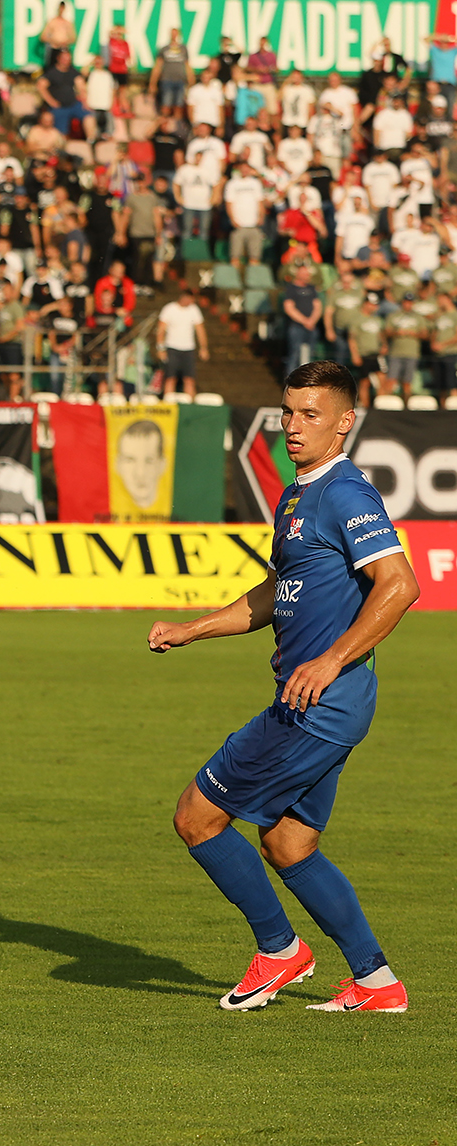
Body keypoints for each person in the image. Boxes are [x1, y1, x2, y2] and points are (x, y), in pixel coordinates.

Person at [147, 361, 419, 1014]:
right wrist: (193, 629)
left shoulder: (345, 494)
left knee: (197, 817)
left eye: (310, 414)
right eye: (288, 413)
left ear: (344, 422)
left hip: (317, 704)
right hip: (328, 704)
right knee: (288, 842)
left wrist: (330, 660)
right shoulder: (296, 496)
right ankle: (377, 983)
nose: (294, 426)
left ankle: (279, 950)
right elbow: (277, 592)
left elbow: (400, 584)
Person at [156, 285, 207, 396]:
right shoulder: (169, 309)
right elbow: (161, 330)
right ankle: (168, 402)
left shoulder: (194, 310)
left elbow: (200, 330)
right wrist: (160, 348)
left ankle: (190, 404)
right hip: (172, 348)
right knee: (170, 378)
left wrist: (203, 348)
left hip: (188, 349)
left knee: (189, 380)